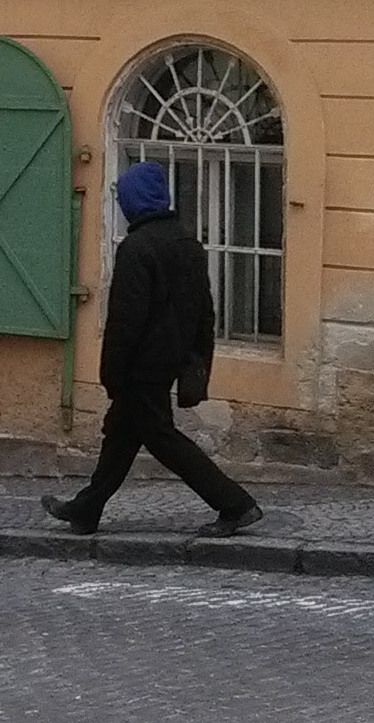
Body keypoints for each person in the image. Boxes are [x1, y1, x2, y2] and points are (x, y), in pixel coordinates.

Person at [41, 163, 262, 538]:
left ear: (134, 200)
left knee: (163, 440)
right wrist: (195, 361)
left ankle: (235, 504)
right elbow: (204, 311)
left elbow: (125, 322)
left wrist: (112, 373)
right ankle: (87, 509)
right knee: (121, 433)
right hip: (169, 361)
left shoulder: (137, 248)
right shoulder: (187, 244)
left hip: (140, 367)